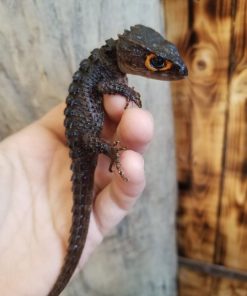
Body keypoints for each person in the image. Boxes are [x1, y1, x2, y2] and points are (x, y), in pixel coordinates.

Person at [0, 94, 154, 295]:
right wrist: (112, 152)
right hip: (85, 139)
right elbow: (104, 88)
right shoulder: (103, 73)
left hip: (85, 135)